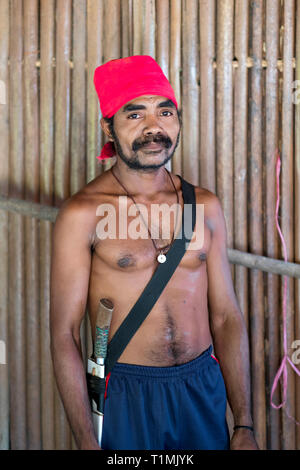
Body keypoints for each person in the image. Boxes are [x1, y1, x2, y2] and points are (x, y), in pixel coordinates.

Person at [50, 55, 259, 451]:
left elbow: (227, 316)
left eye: (165, 112)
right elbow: (63, 335)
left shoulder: (205, 206)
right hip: (125, 394)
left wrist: (244, 424)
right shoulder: (83, 213)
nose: (153, 127)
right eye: (135, 115)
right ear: (108, 127)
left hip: (202, 387)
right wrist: (85, 442)